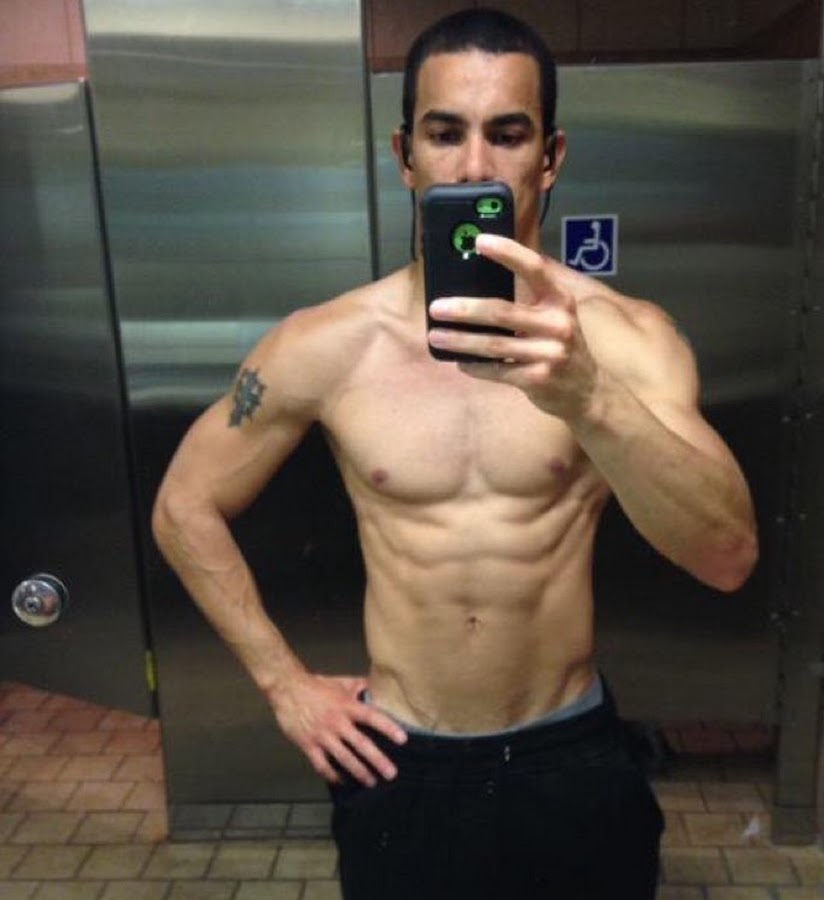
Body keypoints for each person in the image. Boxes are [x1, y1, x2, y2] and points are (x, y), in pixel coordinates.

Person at [152, 8, 758, 899]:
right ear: (406, 156)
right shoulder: (328, 344)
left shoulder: (625, 341)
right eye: (445, 134)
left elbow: (728, 556)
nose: (475, 168)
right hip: (405, 762)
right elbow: (183, 506)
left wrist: (589, 399)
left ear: (550, 157)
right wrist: (285, 686)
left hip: (570, 758)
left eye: (507, 135)